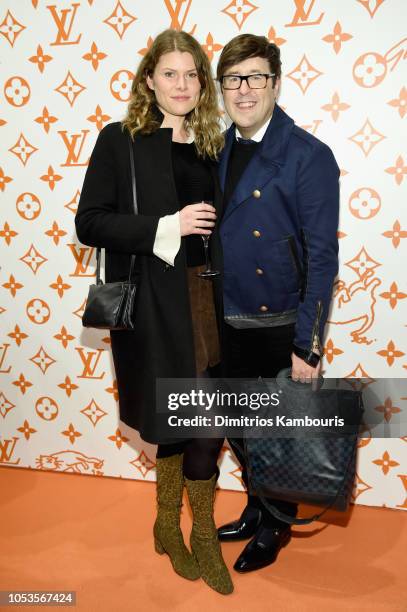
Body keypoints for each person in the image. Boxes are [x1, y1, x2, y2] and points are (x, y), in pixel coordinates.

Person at [75, 29, 233, 595]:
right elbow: (89, 222)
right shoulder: (120, 140)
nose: (183, 84)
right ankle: (172, 525)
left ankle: (199, 532)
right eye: (171, 73)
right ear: (149, 80)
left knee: (209, 422)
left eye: (192, 74)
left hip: (209, 299)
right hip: (154, 303)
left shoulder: (215, 141)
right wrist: (168, 227)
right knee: (175, 420)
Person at [214, 34, 340, 573]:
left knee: (278, 432)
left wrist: (307, 346)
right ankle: (255, 505)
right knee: (237, 426)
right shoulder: (216, 149)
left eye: (256, 77)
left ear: (276, 83)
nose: (244, 90)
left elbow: (322, 257)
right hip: (222, 317)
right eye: (233, 79)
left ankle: (275, 524)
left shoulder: (307, 155)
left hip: (276, 320)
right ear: (222, 89)